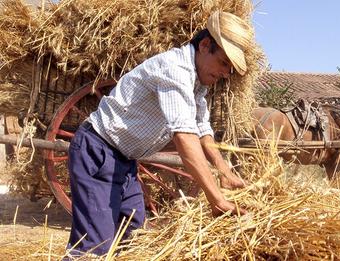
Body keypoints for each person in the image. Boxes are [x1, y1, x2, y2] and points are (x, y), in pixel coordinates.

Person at [66, 11, 253, 256]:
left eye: (230, 68)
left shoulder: (197, 83)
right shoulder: (174, 70)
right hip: (98, 152)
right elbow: (184, 138)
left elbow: (202, 130)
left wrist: (225, 171)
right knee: (95, 246)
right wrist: (216, 198)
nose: (226, 73)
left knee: (133, 236)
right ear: (205, 45)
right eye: (224, 63)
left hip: (125, 161)